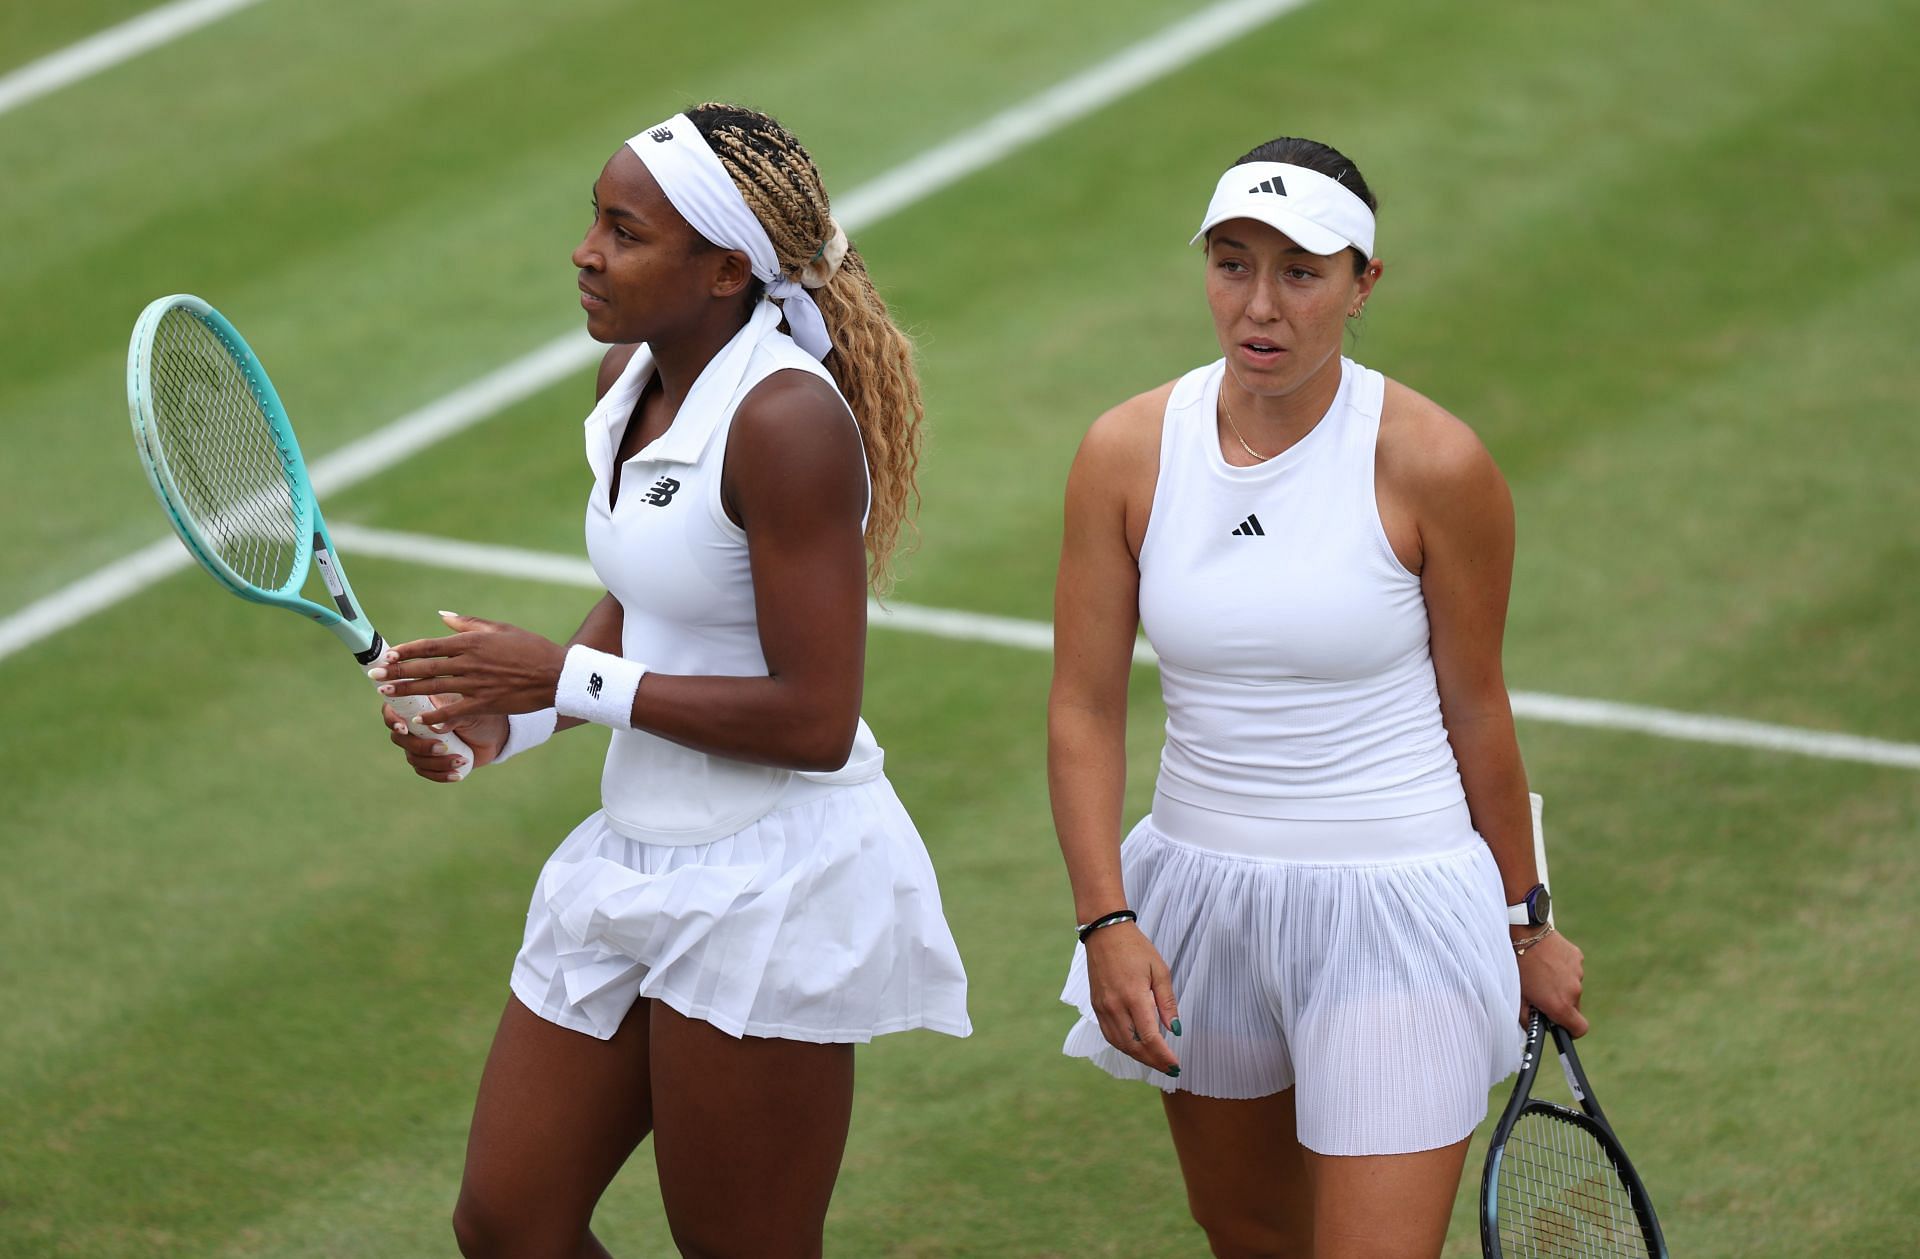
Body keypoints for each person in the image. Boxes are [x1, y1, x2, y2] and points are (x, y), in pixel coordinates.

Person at [369, 102, 971, 1259]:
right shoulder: (629, 375)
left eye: (625, 231)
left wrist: (568, 679)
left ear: (724, 269)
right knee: (509, 1222)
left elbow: (814, 715)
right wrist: (510, 722)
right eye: (594, 220)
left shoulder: (788, 420)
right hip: (633, 854)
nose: (587, 251)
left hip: (770, 883)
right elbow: (652, 595)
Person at [1050, 137, 1586, 1258]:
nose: (1260, 304)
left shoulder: (1437, 463)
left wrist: (1527, 919)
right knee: (1248, 1236)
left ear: (1363, 284)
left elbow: (1477, 707)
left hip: (1396, 914)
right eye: (1232, 262)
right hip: (1198, 904)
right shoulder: (1126, 452)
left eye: (1300, 271)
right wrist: (1108, 917)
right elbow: (1085, 706)